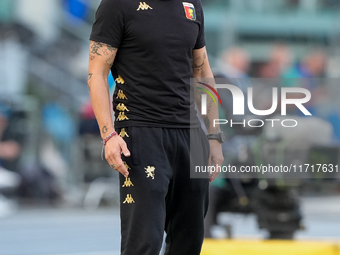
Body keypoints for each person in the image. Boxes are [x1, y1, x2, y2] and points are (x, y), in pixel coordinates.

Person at [88, 0, 224, 254]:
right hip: (141, 131)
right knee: (144, 242)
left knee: (190, 240)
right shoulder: (117, 5)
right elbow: (96, 72)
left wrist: (214, 136)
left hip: (191, 133)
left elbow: (202, 71)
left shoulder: (192, 6)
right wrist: (109, 135)